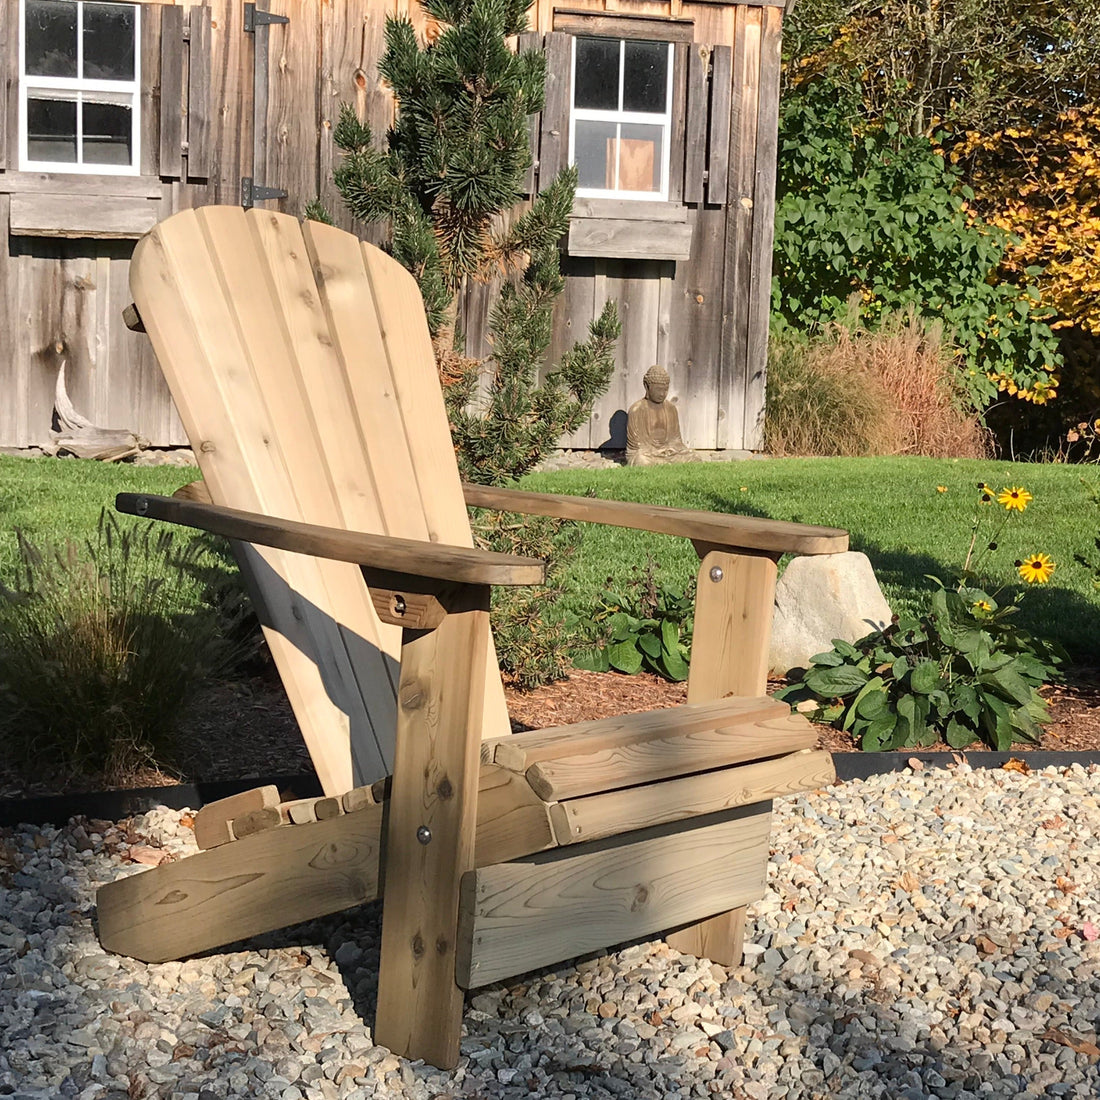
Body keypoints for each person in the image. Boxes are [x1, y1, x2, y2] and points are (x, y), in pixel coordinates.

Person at [625, 364, 694, 466]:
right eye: (658, 389)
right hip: (647, 454)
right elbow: (635, 446)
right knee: (641, 460)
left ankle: (664, 463)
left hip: (667, 453)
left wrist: (670, 449)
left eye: (665, 389)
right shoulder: (636, 410)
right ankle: (664, 463)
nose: (662, 394)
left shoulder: (671, 409)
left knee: (693, 457)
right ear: (646, 387)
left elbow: (676, 440)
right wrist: (655, 451)